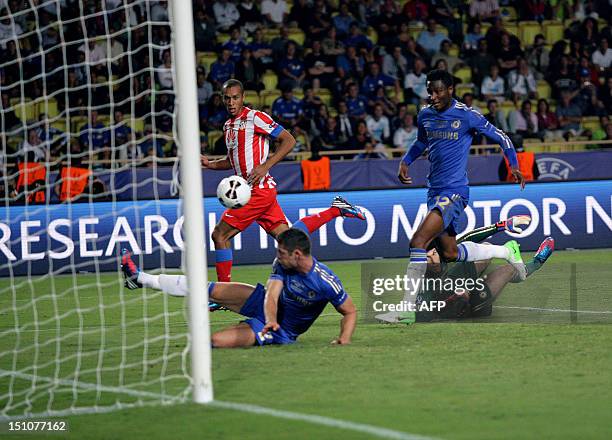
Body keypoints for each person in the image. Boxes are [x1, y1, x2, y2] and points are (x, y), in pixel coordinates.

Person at [378, 69, 525, 324]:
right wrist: (406, 160)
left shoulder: (467, 115)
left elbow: (502, 137)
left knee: (418, 242)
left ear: (450, 90)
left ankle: (405, 310)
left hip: (454, 192)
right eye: (429, 91)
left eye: (437, 91)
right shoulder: (425, 114)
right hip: (434, 191)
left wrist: (513, 165)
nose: (432, 96)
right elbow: (421, 142)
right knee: (450, 254)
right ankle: (506, 251)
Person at [201, 79, 364, 282]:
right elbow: (231, 160)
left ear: (243, 98)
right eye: (227, 98)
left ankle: (223, 292)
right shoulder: (228, 126)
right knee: (289, 240)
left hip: (256, 191)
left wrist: (265, 165)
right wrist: (210, 164)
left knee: (219, 235)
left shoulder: (255, 118)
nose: (231, 102)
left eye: (235, 98)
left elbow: (289, 140)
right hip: (253, 191)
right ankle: (336, 209)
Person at [121, 227, 357, 347]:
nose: (277, 256)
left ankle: (247, 332)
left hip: (280, 330)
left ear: (297, 254)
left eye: (281, 253)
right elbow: (272, 296)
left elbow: (350, 311)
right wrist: (270, 317)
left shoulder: (325, 281)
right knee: (208, 288)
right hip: (264, 306)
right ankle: (140, 278)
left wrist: (343, 339)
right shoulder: (282, 265)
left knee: (215, 342)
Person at [415, 225, 555, 322]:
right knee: (507, 268)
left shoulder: (445, 256)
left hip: (462, 286)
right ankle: (537, 262)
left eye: (433, 253)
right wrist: (453, 298)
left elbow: (469, 238)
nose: (433, 259)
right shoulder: (424, 280)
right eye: (427, 258)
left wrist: (500, 226)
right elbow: (428, 312)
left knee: (487, 250)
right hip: (465, 307)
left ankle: (533, 263)